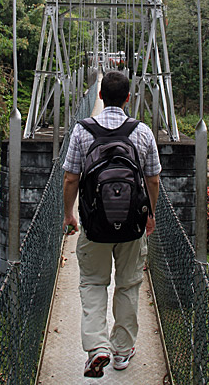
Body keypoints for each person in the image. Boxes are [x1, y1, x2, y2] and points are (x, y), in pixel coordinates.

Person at [62, 70, 161, 378]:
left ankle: (97, 347)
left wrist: (69, 214)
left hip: (94, 224)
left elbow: (70, 178)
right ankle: (121, 351)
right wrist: (150, 214)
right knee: (128, 285)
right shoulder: (142, 132)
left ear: (100, 96)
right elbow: (153, 178)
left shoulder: (81, 131)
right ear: (128, 98)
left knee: (93, 283)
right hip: (132, 225)